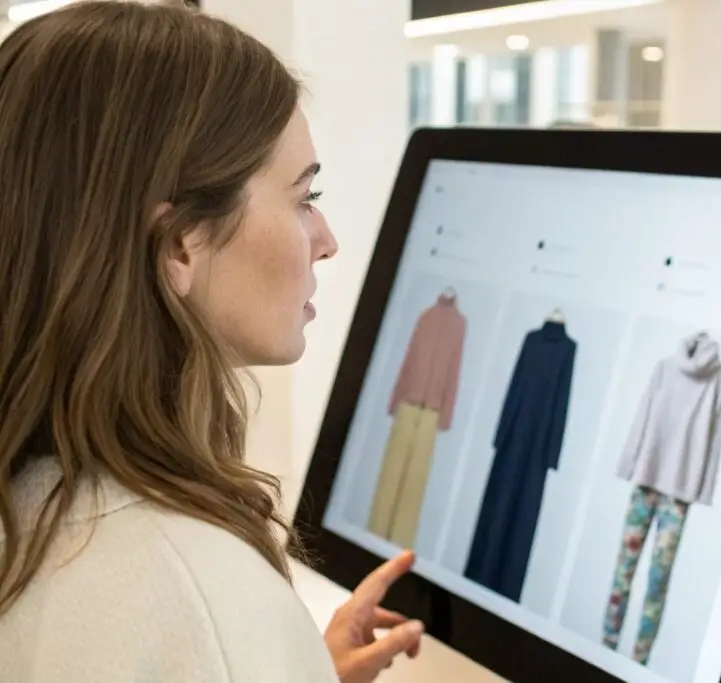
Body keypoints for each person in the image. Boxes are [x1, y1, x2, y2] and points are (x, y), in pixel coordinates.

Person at [0, 2, 423, 681]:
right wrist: (241, 644)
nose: (326, 240)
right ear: (180, 243)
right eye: (303, 198)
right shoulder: (194, 595)